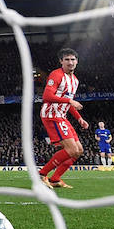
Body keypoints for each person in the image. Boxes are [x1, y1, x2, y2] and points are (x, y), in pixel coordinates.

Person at [38, 48, 89, 189]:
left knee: (78, 151)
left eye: (73, 59)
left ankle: (55, 179)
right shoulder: (56, 75)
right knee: (72, 149)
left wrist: (79, 118)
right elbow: (47, 96)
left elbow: (67, 100)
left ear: (77, 62)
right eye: (66, 59)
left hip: (62, 116)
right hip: (51, 115)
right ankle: (42, 174)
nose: (70, 62)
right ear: (61, 61)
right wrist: (70, 102)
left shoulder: (75, 81)